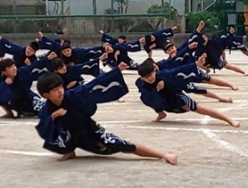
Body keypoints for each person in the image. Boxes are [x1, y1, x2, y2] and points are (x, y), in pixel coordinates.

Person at [35, 62, 178, 164]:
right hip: (69, 135)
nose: (60, 91)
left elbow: (92, 85)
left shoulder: (72, 95)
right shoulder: (46, 110)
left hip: (89, 131)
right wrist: (54, 115)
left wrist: (116, 71)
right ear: (45, 95)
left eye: (60, 87)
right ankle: (69, 150)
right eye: (55, 90)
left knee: (120, 145)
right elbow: (43, 129)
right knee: (53, 128)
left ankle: (163, 154)